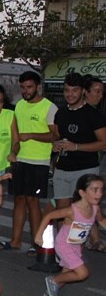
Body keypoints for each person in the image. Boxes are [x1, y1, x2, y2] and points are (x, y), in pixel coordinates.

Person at [1, 71, 58, 254]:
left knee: (33, 202)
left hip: (38, 162)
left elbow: (55, 136)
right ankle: (15, 241)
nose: (26, 91)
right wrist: (12, 152)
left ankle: (37, 243)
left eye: (29, 87)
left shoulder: (49, 107)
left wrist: (32, 135)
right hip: (19, 160)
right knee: (18, 199)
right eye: (23, 87)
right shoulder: (19, 106)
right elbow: (15, 135)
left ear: (38, 87)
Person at [36, 174, 106, 296]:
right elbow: (50, 215)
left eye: (101, 190)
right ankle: (53, 280)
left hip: (76, 245)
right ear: (82, 193)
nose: (99, 193)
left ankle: (50, 293)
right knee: (82, 273)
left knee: (68, 273)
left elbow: (102, 220)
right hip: (64, 245)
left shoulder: (95, 208)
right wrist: (39, 235)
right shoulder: (72, 210)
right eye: (95, 189)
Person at [52, 73, 106, 213]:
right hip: (62, 170)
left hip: (85, 170)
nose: (70, 94)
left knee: (82, 215)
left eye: (74, 90)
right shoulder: (61, 113)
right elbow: (56, 136)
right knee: (62, 213)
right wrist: (55, 145)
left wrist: (76, 147)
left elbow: (104, 143)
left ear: (82, 91)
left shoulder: (94, 115)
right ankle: (63, 236)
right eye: (67, 90)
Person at [82, 75, 106, 252]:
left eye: (101, 93)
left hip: (91, 164)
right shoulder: (77, 113)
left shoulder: (97, 115)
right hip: (73, 167)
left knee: (92, 201)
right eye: (96, 92)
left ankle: (95, 239)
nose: (99, 96)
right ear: (86, 92)